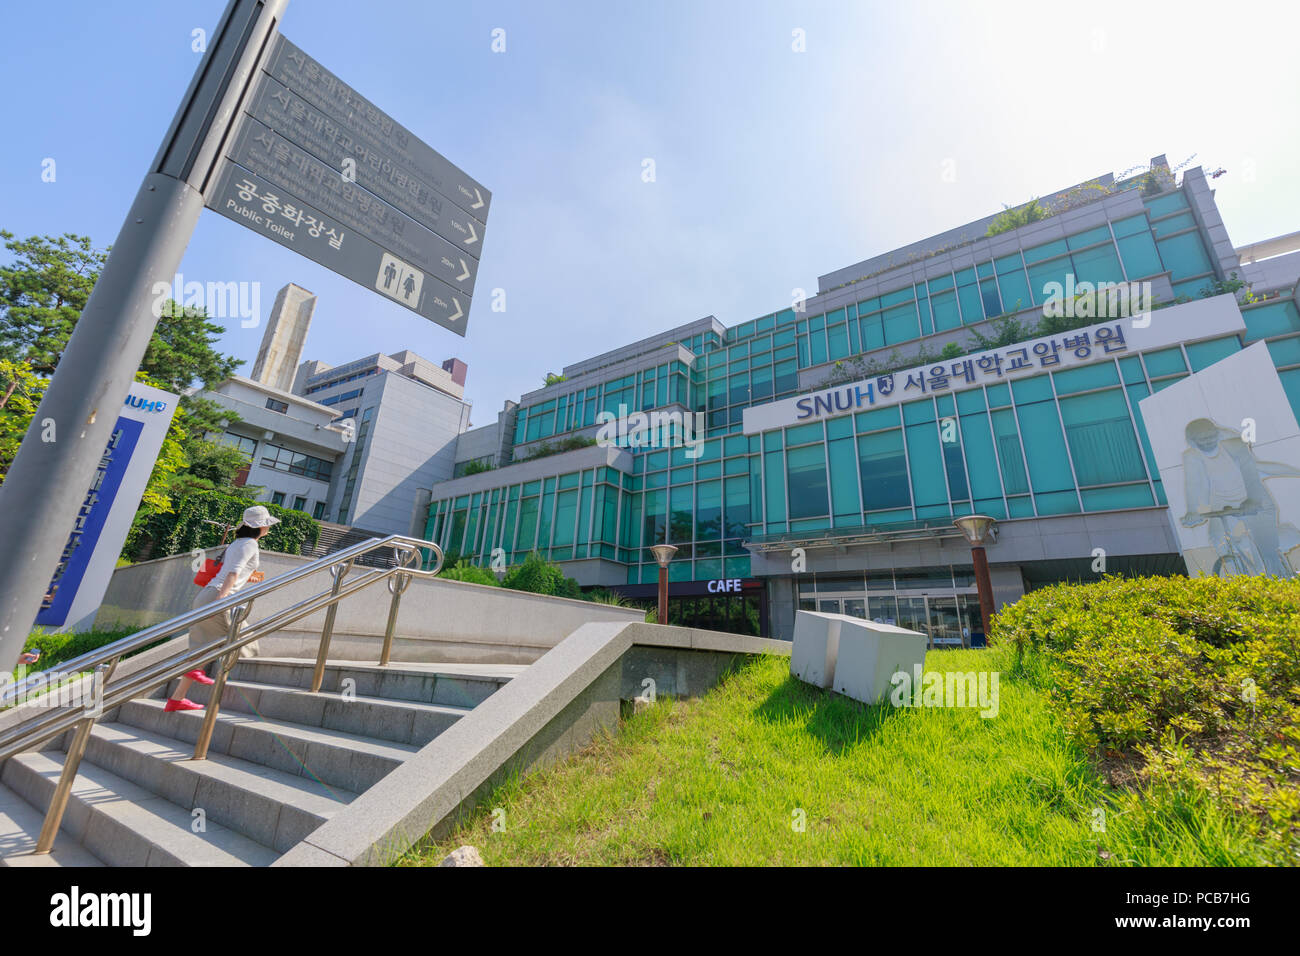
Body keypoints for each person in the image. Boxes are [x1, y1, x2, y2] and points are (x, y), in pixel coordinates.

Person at [165, 505, 279, 713]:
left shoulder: (236, 543)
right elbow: (233, 574)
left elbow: (233, 571)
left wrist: (249, 578)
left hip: (205, 596)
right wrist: (221, 601)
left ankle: (176, 699)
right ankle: (244, 701)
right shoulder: (251, 545)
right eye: (267, 525)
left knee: (201, 648)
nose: (268, 529)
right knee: (247, 643)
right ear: (261, 527)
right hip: (220, 598)